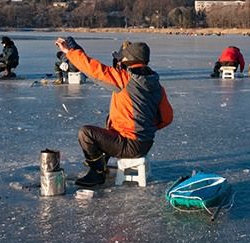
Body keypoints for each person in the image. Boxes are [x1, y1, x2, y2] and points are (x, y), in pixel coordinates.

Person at [55, 37, 173, 187]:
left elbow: (94, 70)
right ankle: (101, 160)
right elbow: (167, 118)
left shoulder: (125, 79)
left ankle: (97, 173)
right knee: (111, 119)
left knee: (86, 134)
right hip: (145, 143)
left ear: (129, 59)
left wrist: (69, 51)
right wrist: (145, 126)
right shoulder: (157, 86)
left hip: (129, 145)